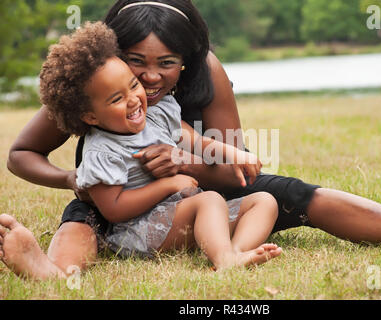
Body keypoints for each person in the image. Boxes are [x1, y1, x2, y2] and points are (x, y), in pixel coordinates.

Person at [3, 0, 381, 280]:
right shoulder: (93, 82)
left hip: (195, 186)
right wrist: (72, 179)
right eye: (135, 61)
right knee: (83, 219)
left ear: (187, 60)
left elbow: (238, 168)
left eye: (168, 63)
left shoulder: (203, 73)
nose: (150, 77)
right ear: (112, 56)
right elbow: (22, 154)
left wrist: (180, 164)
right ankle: (52, 273)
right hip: (111, 193)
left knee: (285, 193)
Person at [0, 21, 283, 278]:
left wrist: (232, 153)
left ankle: (235, 253)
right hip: (140, 231)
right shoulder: (101, 152)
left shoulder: (157, 113)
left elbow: (196, 141)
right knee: (209, 201)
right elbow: (114, 210)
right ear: (90, 116)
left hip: (179, 214)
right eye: (116, 98)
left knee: (264, 201)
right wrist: (168, 184)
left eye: (133, 85)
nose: (134, 99)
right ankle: (224, 257)